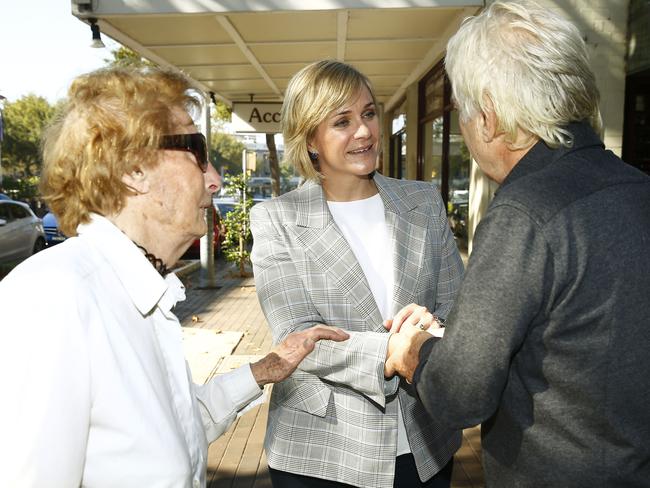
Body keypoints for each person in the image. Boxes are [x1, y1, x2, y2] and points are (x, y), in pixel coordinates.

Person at [0, 66, 349, 488]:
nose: (215, 180)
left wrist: (264, 370)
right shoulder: (53, 298)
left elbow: (171, 433)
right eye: (196, 150)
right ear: (133, 170)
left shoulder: (140, 292)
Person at [385, 2, 650, 486]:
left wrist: (415, 351)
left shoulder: (524, 213)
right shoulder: (636, 188)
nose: (465, 130)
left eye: (463, 113)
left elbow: (460, 393)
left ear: (487, 118)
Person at [249, 60, 464, 488]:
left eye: (368, 114)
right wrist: (397, 348)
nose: (363, 131)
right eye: (342, 122)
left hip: (424, 443)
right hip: (321, 453)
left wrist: (435, 325)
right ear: (310, 139)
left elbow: (456, 306)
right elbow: (298, 335)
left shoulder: (422, 201)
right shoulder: (277, 219)